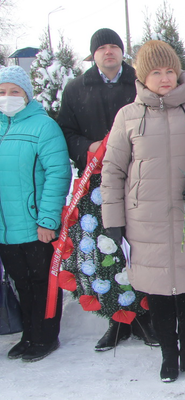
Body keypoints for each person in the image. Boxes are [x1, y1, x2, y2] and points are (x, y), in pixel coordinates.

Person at [101, 40, 185, 382]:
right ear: (143, 76)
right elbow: (112, 170)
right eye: (156, 72)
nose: (165, 78)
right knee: (158, 294)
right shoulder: (128, 116)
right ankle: (168, 357)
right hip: (146, 222)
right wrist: (113, 221)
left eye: (170, 70)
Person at [57, 28, 158, 351]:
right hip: (95, 182)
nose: (109, 52)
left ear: (122, 52)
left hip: (137, 178)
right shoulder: (75, 89)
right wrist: (90, 147)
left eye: (114, 46)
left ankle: (144, 316)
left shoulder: (140, 82)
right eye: (102, 48)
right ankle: (116, 320)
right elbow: (66, 132)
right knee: (105, 249)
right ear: (93, 55)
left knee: (139, 247)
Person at [0, 66, 71, 361]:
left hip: (35, 225)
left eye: (14, 92)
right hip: (5, 228)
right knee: (21, 284)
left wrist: (48, 219)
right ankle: (28, 334)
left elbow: (58, 174)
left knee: (42, 283)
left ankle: (45, 337)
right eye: (2, 92)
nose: (7, 98)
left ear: (27, 95)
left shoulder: (44, 127)